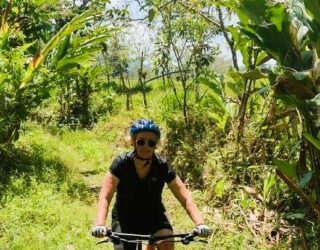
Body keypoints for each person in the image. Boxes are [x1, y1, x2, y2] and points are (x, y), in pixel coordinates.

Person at [92, 118, 210, 250]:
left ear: (156, 144)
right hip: (125, 217)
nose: (146, 147)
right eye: (141, 142)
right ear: (133, 142)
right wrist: (99, 224)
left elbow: (185, 197)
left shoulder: (162, 166)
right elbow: (104, 197)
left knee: (167, 241)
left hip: (154, 215)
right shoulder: (121, 164)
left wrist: (199, 223)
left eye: (151, 143)